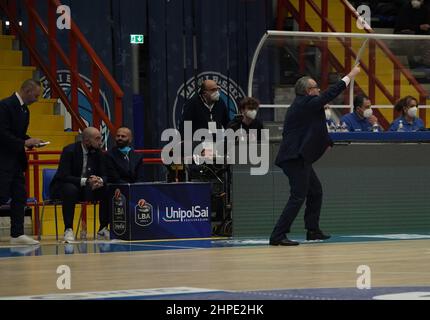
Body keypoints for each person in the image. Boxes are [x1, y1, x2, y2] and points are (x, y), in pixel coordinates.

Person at [270, 66, 361, 246]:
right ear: (307, 91)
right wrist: (349, 76)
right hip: (294, 158)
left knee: (315, 191)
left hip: (299, 157)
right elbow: (329, 94)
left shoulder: (306, 106)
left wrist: (327, 142)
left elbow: (314, 129)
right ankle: (277, 235)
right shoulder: (304, 103)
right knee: (298, 196)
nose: (319, 90)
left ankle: (312, 230)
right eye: (315, 87)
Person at [0, 79, 44, 245]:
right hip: (3, 161)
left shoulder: (25, 110)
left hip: (17, 161)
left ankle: (17, 234)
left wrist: (31, 140)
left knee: (20, 196)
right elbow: (2, 133)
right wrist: (24, 143)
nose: (37, 99)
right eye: (36, 95)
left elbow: (18, 135)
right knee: (1, 196)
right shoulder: (4, 106)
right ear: (27, 90)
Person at [50, 127, 109, 242]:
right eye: (97, 139)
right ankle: (68, 229)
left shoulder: (98, 153)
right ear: (87, 141)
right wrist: (86, 180)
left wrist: (99, 180)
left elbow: (106, 175)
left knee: (106, 189)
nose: (100, 142)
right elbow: (64, 176)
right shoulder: (69, 150)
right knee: (70, 189)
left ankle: (103, 228)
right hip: (66, 187)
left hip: (87, 188)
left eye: (100, 139)